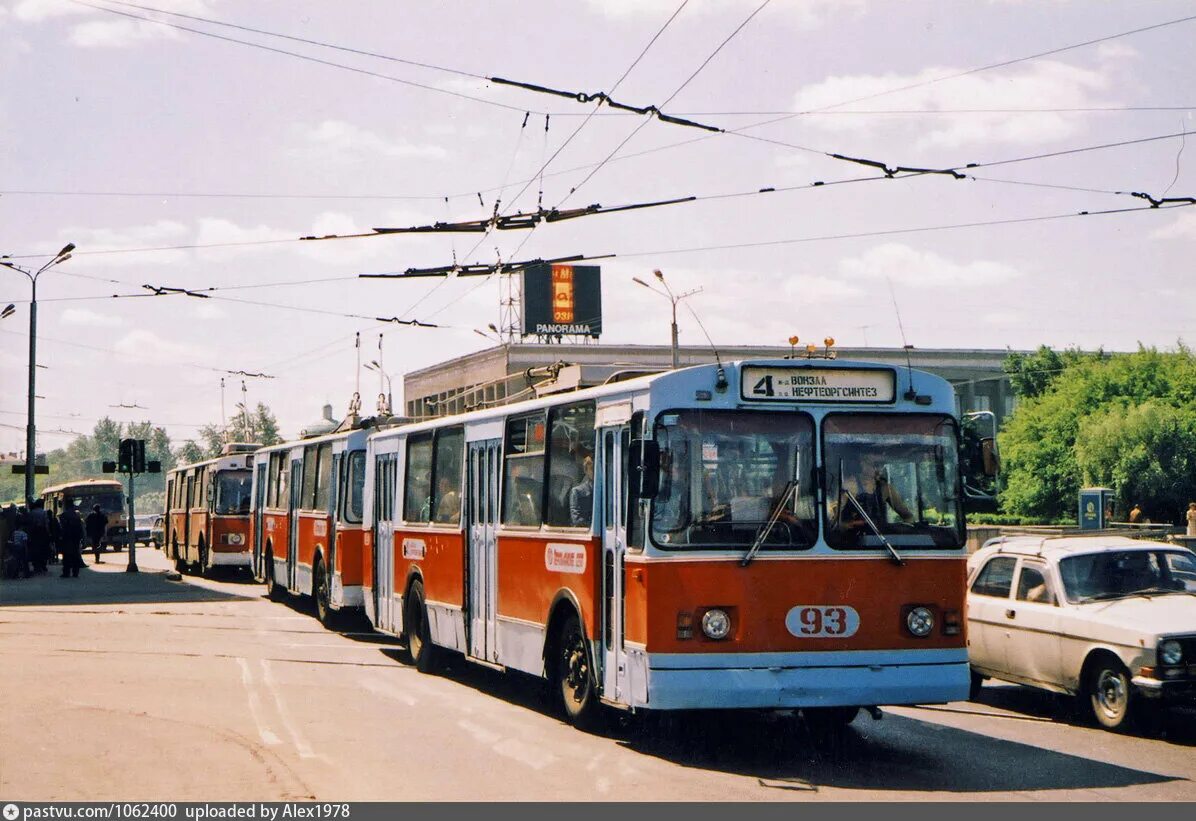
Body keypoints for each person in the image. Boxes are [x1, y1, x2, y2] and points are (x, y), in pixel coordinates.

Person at [830, 455, 914, 536]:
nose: (879, 469)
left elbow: (908, 517)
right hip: (852, 544)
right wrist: (849, 525)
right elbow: (833, 522)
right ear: (862, 463)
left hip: (880, 543)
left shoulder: (885, 489)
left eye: (882, 465)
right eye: (875, 465)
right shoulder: (848, 486)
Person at [57, 502, 85, 578]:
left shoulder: (63, 515)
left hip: (66, 538)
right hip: (75, 538)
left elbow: (61, 528)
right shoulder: (77, 516)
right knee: (75, 554)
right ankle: (75, 572)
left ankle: (66, 572)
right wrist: (81, 537)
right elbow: (80, 528)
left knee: (66, 555)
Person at [25, 500, 51, 574]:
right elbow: (46, 524)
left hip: (34, 533)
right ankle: (43, 565)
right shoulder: (44, 512)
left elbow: (29, 524)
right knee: (43, 549)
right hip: (42, 533)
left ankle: (36, 565)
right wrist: (48, 533)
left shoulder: (31, 513)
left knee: (35, 550)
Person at [568, 455, 594, 527]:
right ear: (586, 471)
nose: (595, 472)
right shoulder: (577, 492)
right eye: (592, 469)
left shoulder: (609, 491)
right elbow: (576, 519)